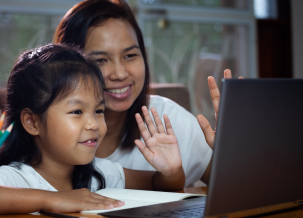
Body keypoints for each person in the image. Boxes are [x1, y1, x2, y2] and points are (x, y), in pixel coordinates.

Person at [0, 44, 184, 214]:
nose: (94, 124)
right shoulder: (16, 178)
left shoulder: (99, 173)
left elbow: (158, 184)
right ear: (32, 122)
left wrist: (171, 171)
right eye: (77, 111)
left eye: (99, 111)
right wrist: (53, 199)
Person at [53, 0, 219, 187]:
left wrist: (237, 150)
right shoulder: (48, 131)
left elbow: (239, 188)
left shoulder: (169, 120)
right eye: (100, 60)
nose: (120, 74)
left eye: (130, 56)